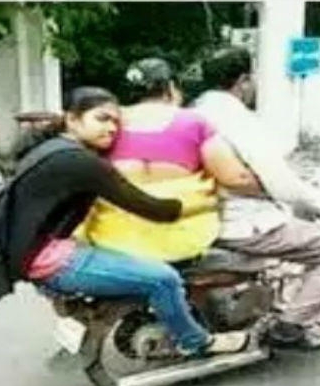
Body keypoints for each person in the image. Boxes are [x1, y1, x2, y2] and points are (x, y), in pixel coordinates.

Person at [0, 86, 249, 356]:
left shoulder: (51, 149)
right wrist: (204, 200)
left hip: (34, 253)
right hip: (52, 262)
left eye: (116, 122)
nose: (111, 128)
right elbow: (151, 208)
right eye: (102, 118)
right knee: (164, 279)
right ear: (72, 119)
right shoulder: (81, 163)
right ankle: (195, 342)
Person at [193, 47, 320, 344]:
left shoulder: (194, 111)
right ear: (244, 80)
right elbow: (279, 183)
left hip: (199, 217)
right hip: (242, 224)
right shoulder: (236, 118)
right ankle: (289, 326)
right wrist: (319, 198)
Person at [78, 57, 257, 262]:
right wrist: (268, 189)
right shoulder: (193, 123)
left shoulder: (107, 124)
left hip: (113, 239)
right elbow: (235, 178)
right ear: (171, 88)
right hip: (182, 240)